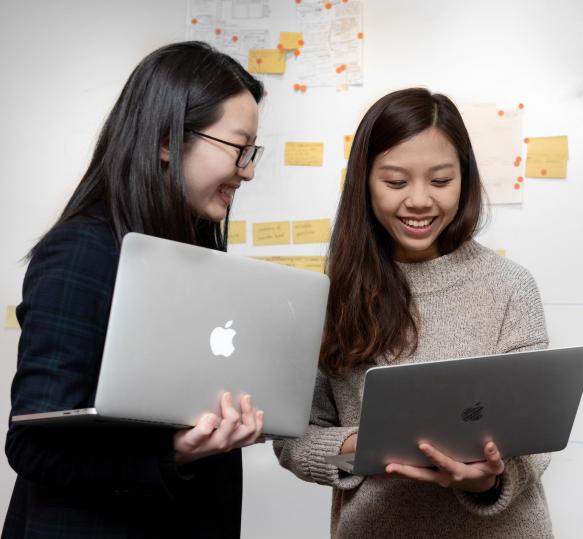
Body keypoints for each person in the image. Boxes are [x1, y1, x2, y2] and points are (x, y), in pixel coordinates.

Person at [4, 41, 266, 538]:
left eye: (252, 152)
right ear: (168, 140)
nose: (248, 170)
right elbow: (32, 446)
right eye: (238, 148)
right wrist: (173, 454)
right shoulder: (82, 250)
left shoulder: (190, 256)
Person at [274, 88, 554, 538]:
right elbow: (293, 437)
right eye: (396, 182)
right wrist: (365, 447)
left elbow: (536, 436)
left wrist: (491, 479)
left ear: (465, 180)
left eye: (441, 181)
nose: (420, 200)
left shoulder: (509, 286)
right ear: (364, 182)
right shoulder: (332, 296)